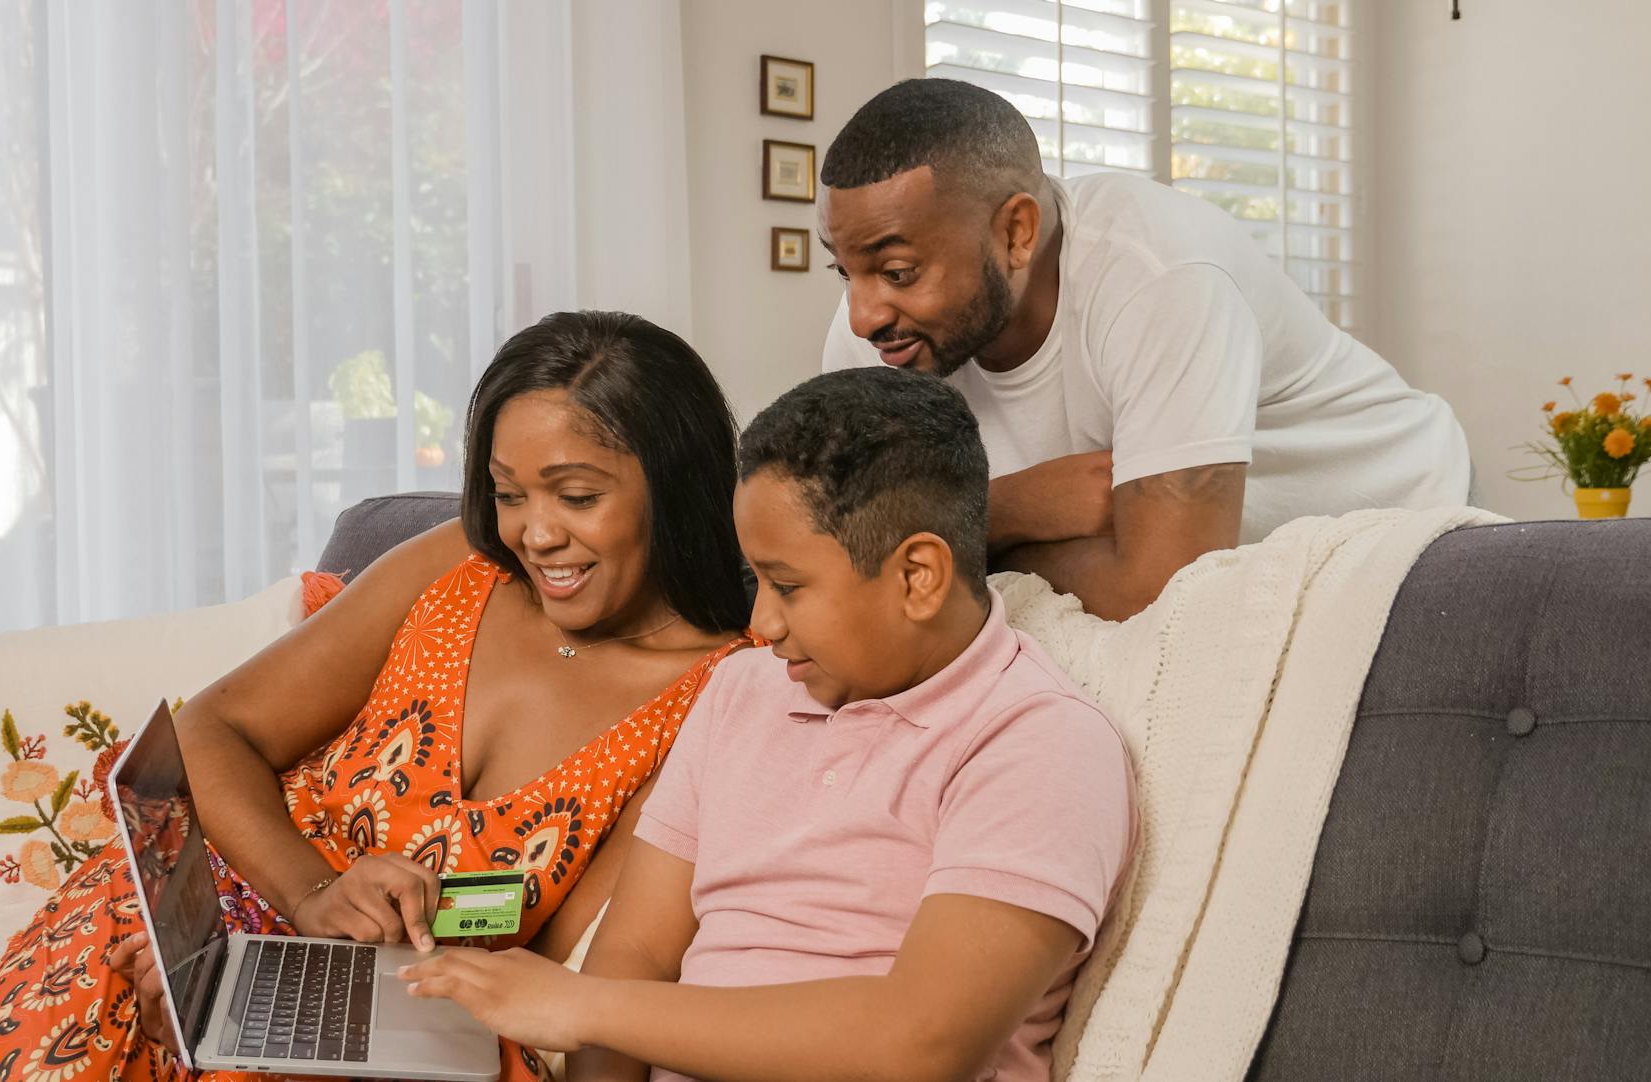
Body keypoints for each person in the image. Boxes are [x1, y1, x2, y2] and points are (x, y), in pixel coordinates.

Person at [0, 311, 752, 1082]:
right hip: (244, 884)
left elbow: (570, 949)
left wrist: (338, 961)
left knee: (202, 1043)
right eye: (508, 490)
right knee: (102, 999)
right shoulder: (459, 565)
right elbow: (215, 729)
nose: (534, 533)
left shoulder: (719, 693)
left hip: (401, 996)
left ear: (676, 485)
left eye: (575, 495)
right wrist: (309, 896)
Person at [400, 368, 1137, 1082]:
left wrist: (581, 1007)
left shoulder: (1039, 744)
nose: (761, 623)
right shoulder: (743, 689)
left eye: (787, 586)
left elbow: (922, 1041)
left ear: (918, 577)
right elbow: (637, 954)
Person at [819, 78, 1472, 620]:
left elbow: (1164, 591)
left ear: (1017, 233)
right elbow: (839, 546)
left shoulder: (1160, 273)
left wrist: (949, 528)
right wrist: (1014, 505)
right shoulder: (878, 334)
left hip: (1410, 531)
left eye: (899, 272)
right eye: (846, 272)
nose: (864, 314)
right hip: (1251, 568)